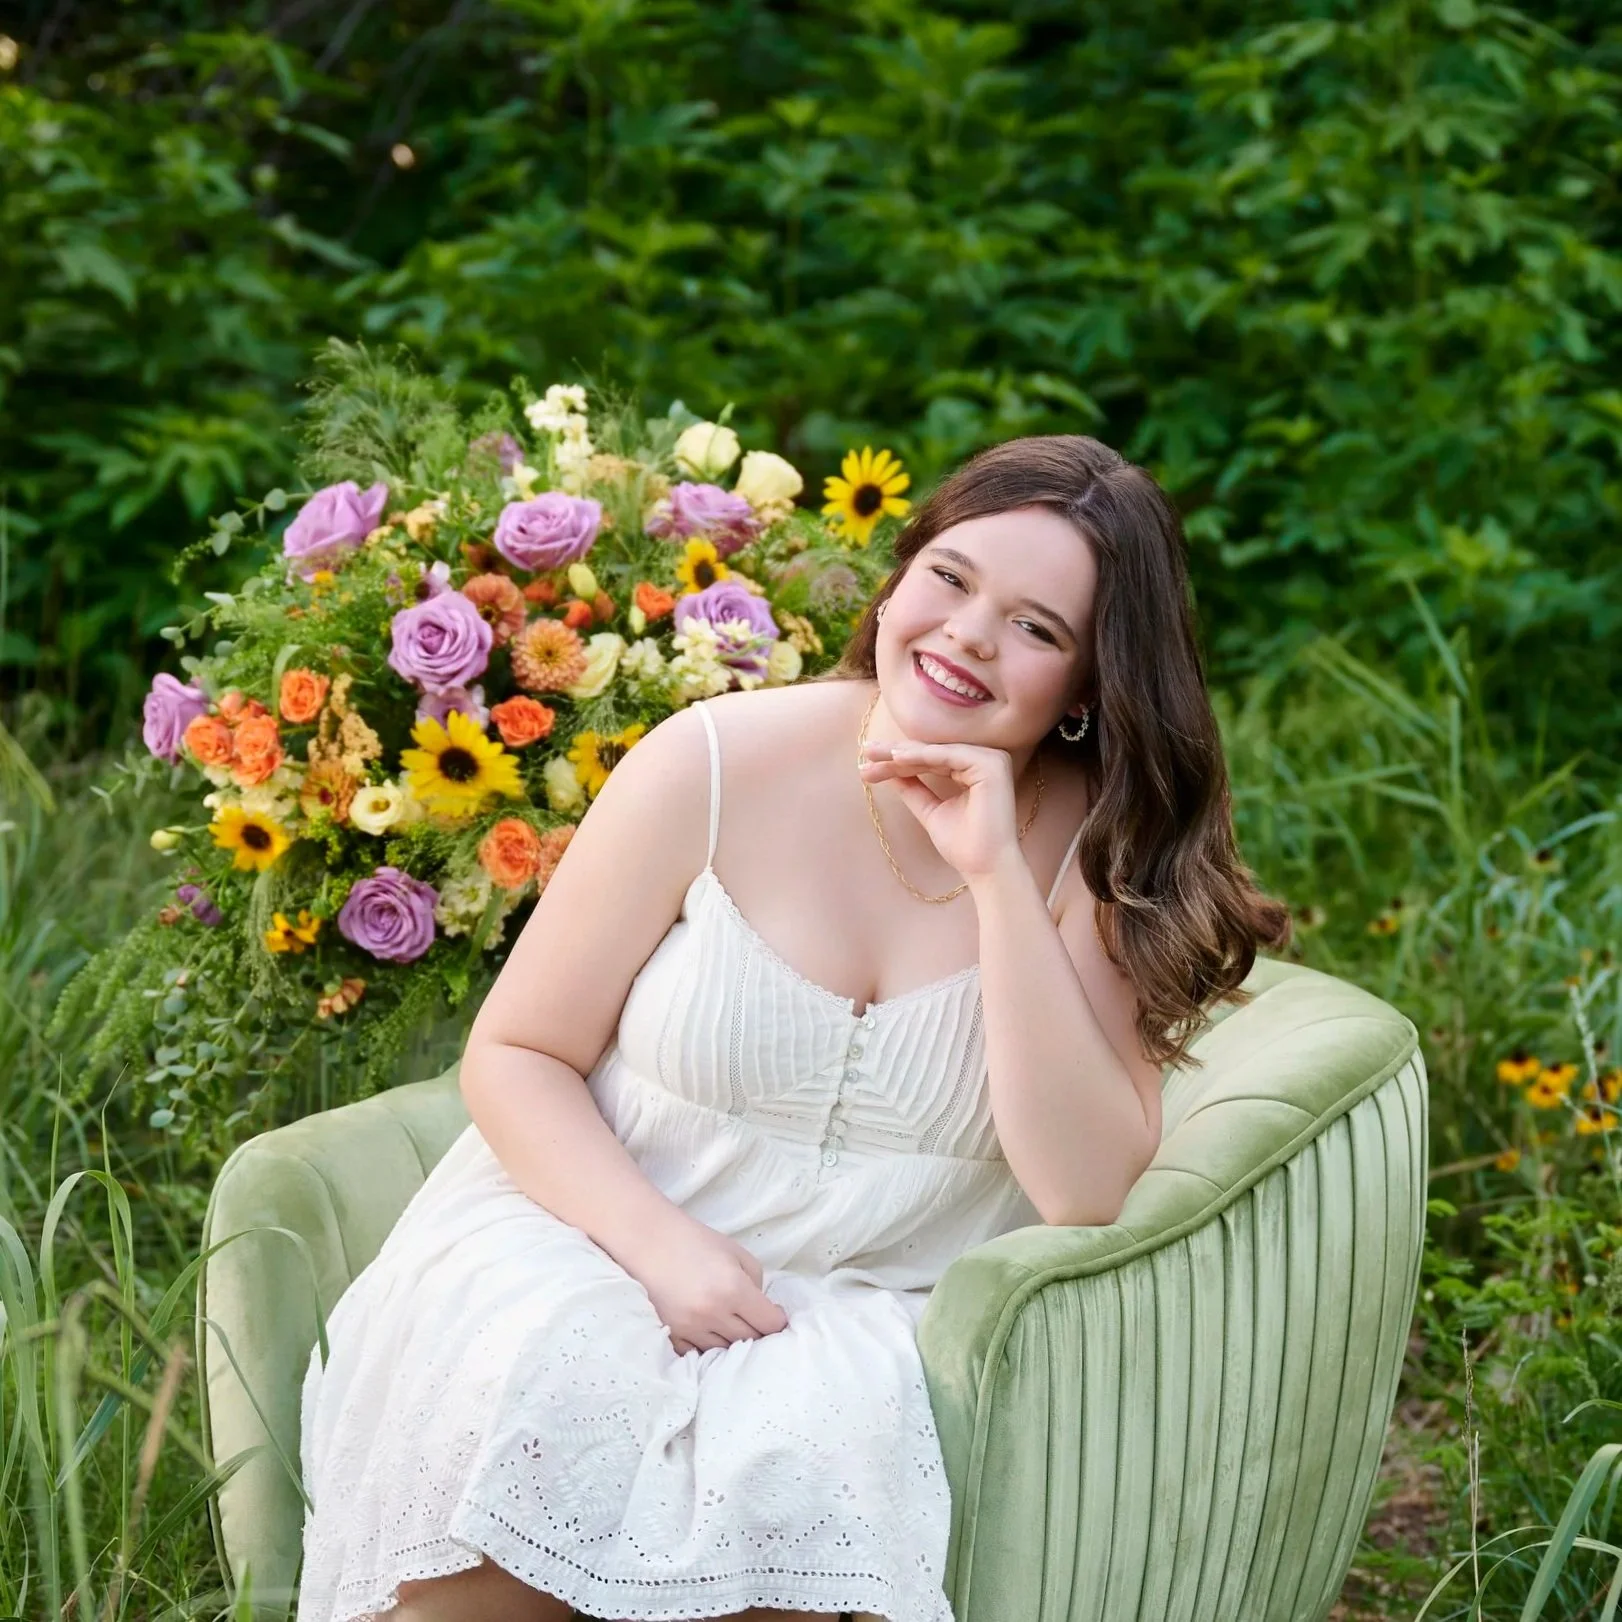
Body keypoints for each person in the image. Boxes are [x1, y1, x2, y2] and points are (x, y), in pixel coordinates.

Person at [296, 433, 1290, 1622]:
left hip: (867, 1307)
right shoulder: (713, 760)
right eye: (952, 578)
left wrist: (996, 883)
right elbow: (517, 1054)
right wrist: (659, 1245)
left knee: (792, 1488)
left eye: (1036, 628)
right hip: (593, 1236)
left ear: (1085, 685)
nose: (969, 634)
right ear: (901, 572)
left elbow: (1081, 1187)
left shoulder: (1099, 852)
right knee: (530, 1442)